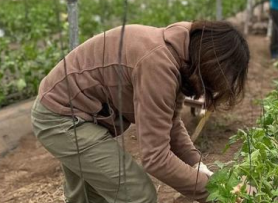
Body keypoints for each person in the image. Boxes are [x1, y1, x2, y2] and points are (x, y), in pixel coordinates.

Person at [31, 20, 250, 203]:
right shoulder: (159, 65)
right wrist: (217, 192)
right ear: (211, 63)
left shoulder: (179, 52)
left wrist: (197, 164)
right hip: (61, 116)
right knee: (138, 194)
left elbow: (168, 121)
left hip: (76, 110)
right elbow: (156, 158)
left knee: (88, 197)